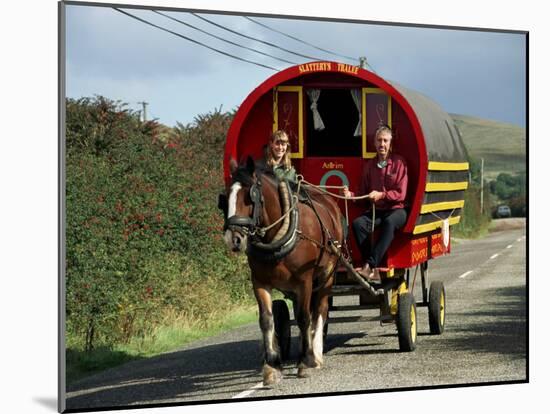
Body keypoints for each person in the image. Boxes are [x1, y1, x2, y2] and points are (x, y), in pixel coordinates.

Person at [343, 125, 408, 281]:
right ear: (374, 143)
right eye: (379, 140)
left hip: (397, 209)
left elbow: (401, 194)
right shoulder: (370, 166)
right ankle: (372, 268)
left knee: (389, 222)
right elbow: (362, 194)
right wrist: (350, 195)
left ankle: (370, 266)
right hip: (377, 210)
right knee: (358, 224)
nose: (382, 144)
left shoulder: (400, 163)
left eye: (385, 140)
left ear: (390, 144)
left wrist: (382, 195)